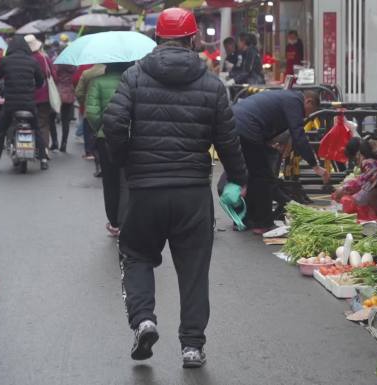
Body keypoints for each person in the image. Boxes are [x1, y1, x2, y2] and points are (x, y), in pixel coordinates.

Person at [103, 8, 247, 368]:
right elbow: (228, 140)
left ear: (157, 38)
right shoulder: (212, 84)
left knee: (136, 254)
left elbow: (114, 123)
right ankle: (192, 347)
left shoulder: (135, 77)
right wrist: (239, 178)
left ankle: (145, 320)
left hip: (145, 189)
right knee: (194, 269)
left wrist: (126, 162)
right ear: (193, 39)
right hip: (192, 193)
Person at [232, 89, 329, 233]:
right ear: (308, 101)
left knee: (253, 175)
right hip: (247, 128)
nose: (307, 116)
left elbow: (272, 122)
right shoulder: (295, 101)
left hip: (236, 125)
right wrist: (315, 165)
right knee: (263, 177)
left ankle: (245, 219)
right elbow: (298, 135)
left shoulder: (285, 97)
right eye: (309, 112)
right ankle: (263, 223)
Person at [86, 62, 133, 237]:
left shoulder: (97, 82)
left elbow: (92, 113)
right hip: (131, 137)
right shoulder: (135, 81)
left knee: (110, 182)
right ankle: (127, 219)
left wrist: (102, 127)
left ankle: (114, 222)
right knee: (127, 180)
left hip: (105, 138)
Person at [0, 36, 48, 171]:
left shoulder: (5, 61)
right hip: (29, 104)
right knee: (37, 129)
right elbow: (41, 81)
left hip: (10, 104)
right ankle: (43, 159)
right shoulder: (32, 61)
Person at [25, 35, 57, 156]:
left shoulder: (25, 59)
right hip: (44, 96)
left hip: (28, 96)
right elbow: (54, 75)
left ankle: (30, 148)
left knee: (28, 123)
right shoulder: (44, 58)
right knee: (43, 123)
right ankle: (44, 150)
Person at [75, 64, 105, 163]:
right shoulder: (109, 73)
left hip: (90, 107)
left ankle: (89, 152)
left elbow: (79, 92)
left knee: (89, 129)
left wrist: (84, 103)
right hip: (108, 108)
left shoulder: (87, 73)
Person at [54, 63, 76, 152]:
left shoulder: (58, 65)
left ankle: (55, 142)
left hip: (58, 93)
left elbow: (55, 77)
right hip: (69, 93)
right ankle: (64, 143)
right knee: (66, 120)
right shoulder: (73, 67)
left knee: (51, 118)